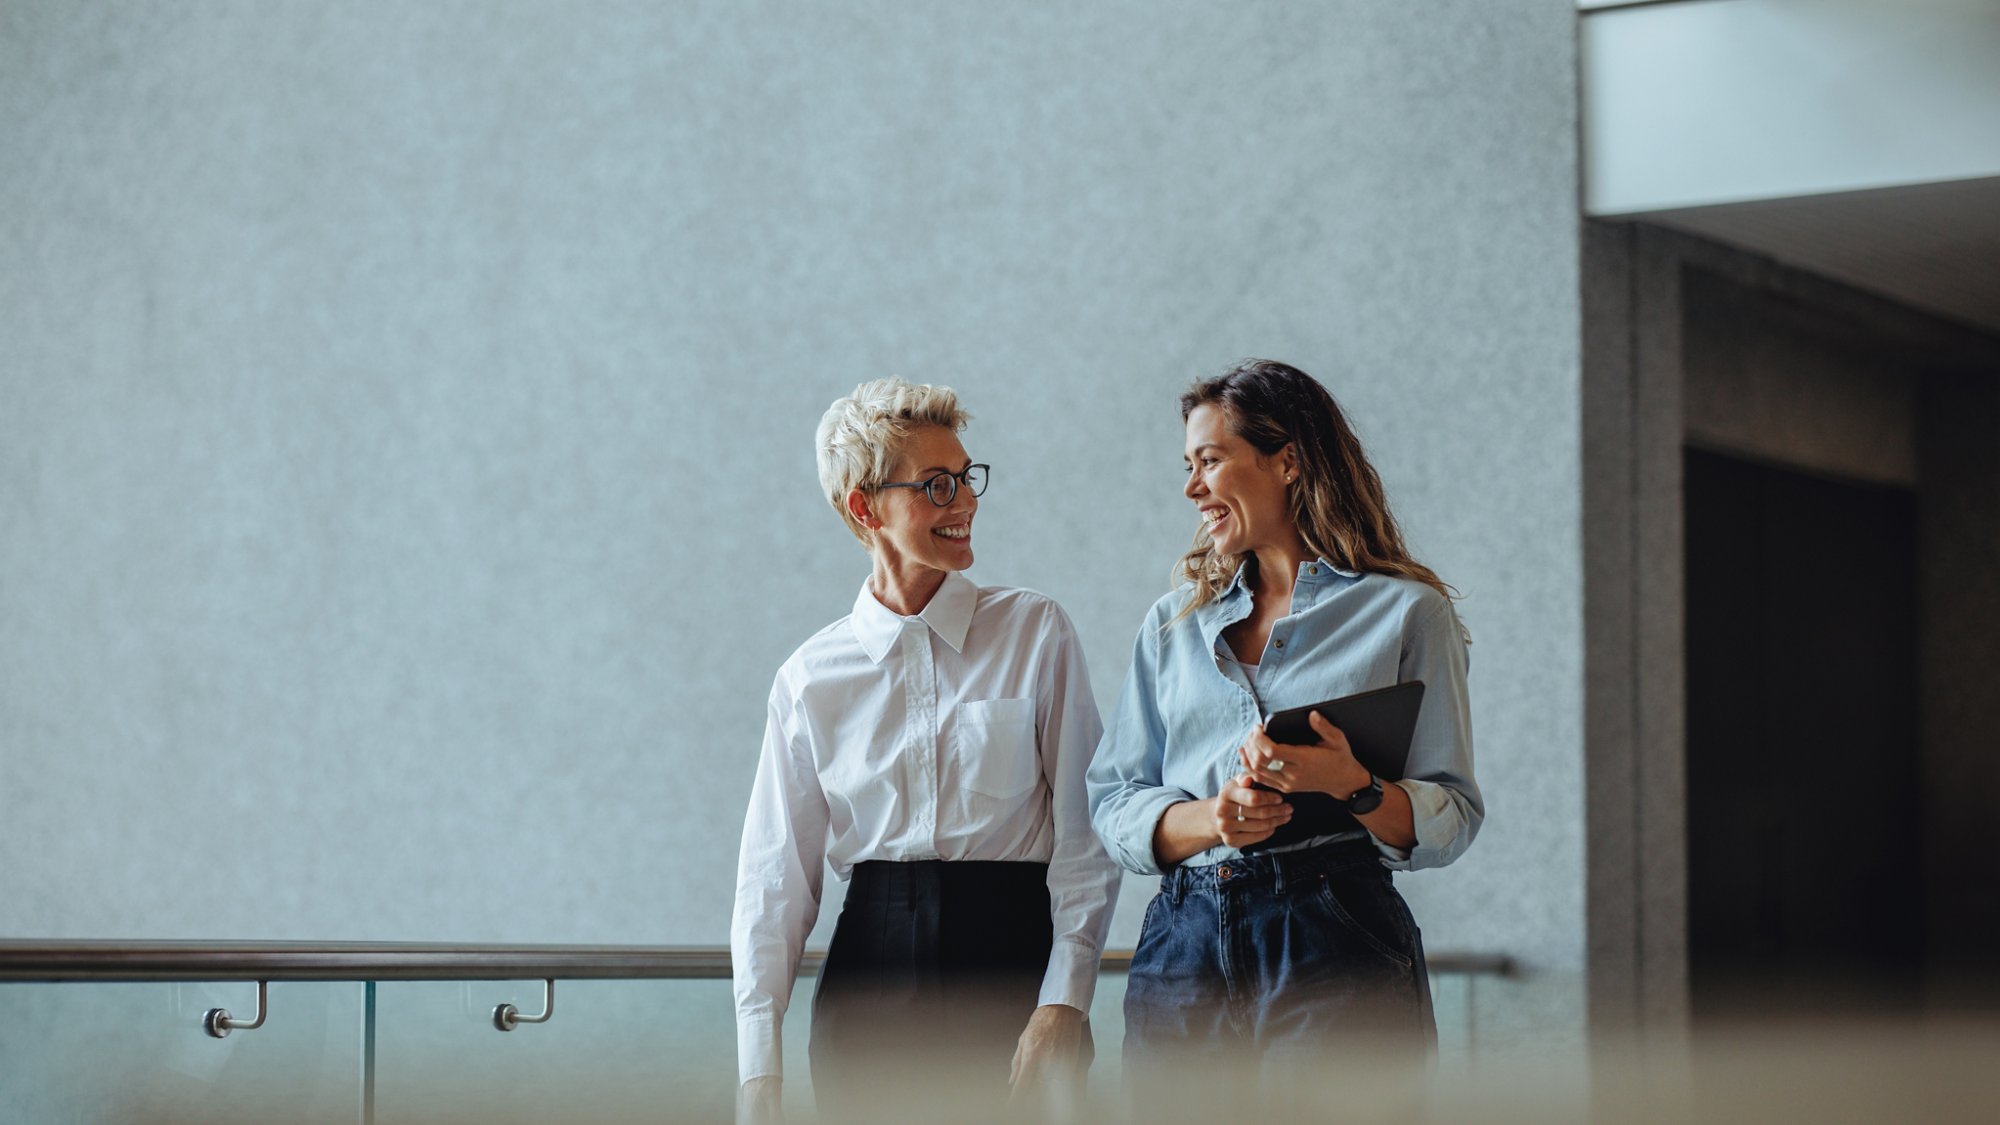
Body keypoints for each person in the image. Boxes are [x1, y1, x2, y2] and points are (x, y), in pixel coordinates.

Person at [731, 376, 1120, 1123]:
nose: (965, 503)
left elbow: (1084, 833)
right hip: (867, 984)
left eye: (968, 479)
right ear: (864, 507)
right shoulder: (809, 677)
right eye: (937, 486)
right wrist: (758, 1071)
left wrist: (1065, 997)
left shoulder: (1036, 631)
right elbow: (772, 880)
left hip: (1013, 968)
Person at [1086, 359, 1481, 1095]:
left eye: (1210, 460)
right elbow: (1113, 799)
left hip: (1335, 929)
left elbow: (1452, 811)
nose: (1191, 487)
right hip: (1182, 942)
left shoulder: (1406, 614)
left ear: (1289, 460)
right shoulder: (1171, 626)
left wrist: (1355, 786)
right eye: (1188, 464)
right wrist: (1211, 818)